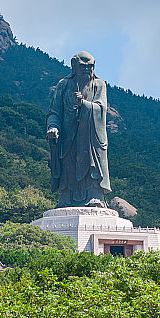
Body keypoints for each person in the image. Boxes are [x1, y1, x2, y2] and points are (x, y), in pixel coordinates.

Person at [46, 51, 110, 207]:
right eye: (83, 66)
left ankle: (94, 195)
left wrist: (84, 104)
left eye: (91, 66)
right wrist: (53, 127)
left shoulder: (98, 85)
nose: (87, 69)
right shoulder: (64, 85)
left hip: (90, 137)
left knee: (91, 164)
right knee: (68, 164)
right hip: (69, 135)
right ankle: (66, 197)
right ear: (73, 66)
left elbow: (101, 109)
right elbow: (55, 112)